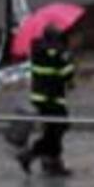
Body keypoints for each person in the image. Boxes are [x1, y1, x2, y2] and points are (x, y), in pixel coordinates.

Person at [17, 23, 76, 176]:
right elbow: (67, 75)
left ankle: (50, 161)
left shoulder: (38, 50)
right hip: (53, 98)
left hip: (40, 98)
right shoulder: (56, 53)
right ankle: (32, 155)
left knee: (53, 129)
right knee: (58, 129)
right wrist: (69, 60)